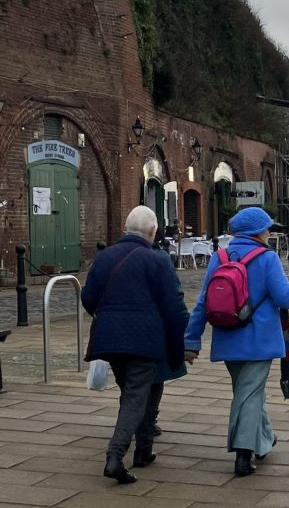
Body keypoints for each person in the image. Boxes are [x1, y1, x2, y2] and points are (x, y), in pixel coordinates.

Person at [184, 207, 289, 477]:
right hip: (259, 340)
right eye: (267, 229)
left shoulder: (220, 256)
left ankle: (264, 439)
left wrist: (191, 341)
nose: (269, 233)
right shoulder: (267, 258)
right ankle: (243, 453)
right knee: (250, 394)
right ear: (258, 232)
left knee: (248, 391)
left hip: (228, 338)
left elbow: (203, 302)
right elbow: (285, 298)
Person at [81, 206, 187, 484]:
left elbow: (88, 297)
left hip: (109, 339)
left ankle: (144, 450)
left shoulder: (103, 257)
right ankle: (115, 457)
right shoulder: (156, 260)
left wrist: (108, 317)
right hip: (144, 341)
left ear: (125, 229)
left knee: (131, 394)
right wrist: (180, 347)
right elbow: (173, 308)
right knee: (134, 398)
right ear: (153, 232)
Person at [149, 231, 190, 438]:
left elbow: (91, 294)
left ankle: (137, 419)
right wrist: (185, 334)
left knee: (130, 380)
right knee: (155, 377)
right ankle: (147, 422)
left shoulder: (110, 254)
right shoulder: (160, 257)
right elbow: (175, 297)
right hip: (155, 328)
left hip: (119, 332)